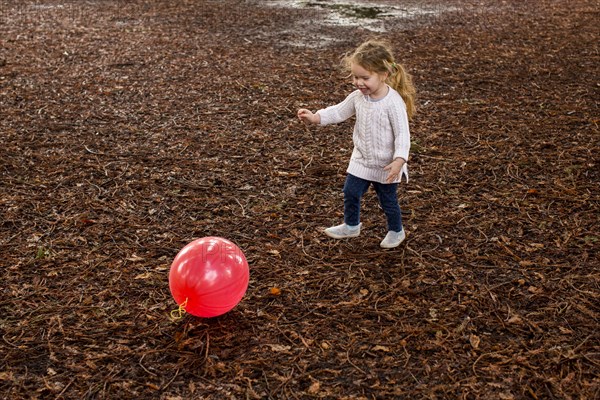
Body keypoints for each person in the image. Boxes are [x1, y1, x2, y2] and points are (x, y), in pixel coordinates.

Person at [297, 39, 416, 249]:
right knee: (350, 191)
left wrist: (399, 160)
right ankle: (352, 225)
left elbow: (402, 135)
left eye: (365, 78)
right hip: (361, 160)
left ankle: (396, 230)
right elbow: (339, 111)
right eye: (355, 77)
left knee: (387, 201)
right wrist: (316, 117)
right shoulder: (358, 97)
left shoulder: (393, 102)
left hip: (387, 165)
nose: (359, 83)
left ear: (384, 75)